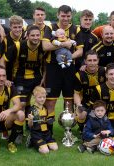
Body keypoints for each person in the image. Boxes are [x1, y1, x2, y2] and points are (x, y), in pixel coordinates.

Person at [42, 5, 84, 134]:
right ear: (58, 15)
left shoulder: (76, 29)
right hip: (53, 69)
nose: (65, 18)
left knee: (69, 101)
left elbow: (80, 51)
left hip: (69, 68)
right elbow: (45, 46)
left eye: (68, 16)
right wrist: (62, 44)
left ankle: (68, 130)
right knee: (50, 101)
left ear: (71, 16)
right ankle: (48, 131)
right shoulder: (50, 27)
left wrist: (67, 57)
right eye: (63, 15)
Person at [0, 25, 46, 128]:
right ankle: (14, 130)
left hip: (36, 79)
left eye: (38, 35)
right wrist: (5, 77)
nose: (35, 37)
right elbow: (3, 60)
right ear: (27, 36)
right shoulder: (18, 46)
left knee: (34, 104)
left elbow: (45, 64)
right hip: (20, 79)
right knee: (21, 105)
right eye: (33, 35)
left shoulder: (43, 47)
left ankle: (30, 128)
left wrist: (44, 77)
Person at [74, 50, 114, 133]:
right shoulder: (79, 74)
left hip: (101, 102)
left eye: (94, 60)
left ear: (98, 60)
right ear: (85, 61)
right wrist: (79, 105)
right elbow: (76, 93)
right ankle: (83, 129)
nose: (92, 63)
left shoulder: (104, 70)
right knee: (81, 114)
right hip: (87, 103)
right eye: (89, 60)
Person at [27, 86, 58, 154]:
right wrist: (31, 120)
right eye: (40, 97)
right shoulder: (32, 109)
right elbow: (30, 125)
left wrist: (50, 120)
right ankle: (32, 141)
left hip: (46, 133)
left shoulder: (45, 108)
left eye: (44, 97)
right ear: (34, 97)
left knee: (55, 148)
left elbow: (46, 121)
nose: (42, 99)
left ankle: (44, 143)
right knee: (45, 151)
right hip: (37, 134)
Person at [0, 15, 25, 81]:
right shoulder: (4, 39)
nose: (17, 30)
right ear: (10, 27)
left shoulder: (26, 36)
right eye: (15, 27)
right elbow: (1, 60)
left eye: (19, 27)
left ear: (22, 26)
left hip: (21, 73)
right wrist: (4, 78)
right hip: (8, 72)